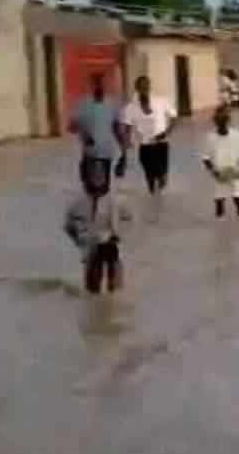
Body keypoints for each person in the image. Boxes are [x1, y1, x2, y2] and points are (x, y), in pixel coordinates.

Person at [64, 152, 130, 294]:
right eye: (93, 171)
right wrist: (81, 240)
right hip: (90, 251)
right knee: (92, 294)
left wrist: (119, 234)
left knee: (114, 294)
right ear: (85, 176)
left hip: (112, 250)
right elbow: (68, 227)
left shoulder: (116, 200)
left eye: (101, 171)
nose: (97, 175)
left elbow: (128, 220)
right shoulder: (77, 203)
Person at [68, 71, 128, 197]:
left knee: (103, 189)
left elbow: (117, 129)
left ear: (106, 85)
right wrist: (85, 134)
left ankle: (98, 210)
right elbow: (72, 127)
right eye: (97, 83)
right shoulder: (83, 104)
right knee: (89, 186)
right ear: (92, 85)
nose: (100, 86)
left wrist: (124, 152)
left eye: (102, 83)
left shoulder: (112, 104)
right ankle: (92, 210)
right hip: (89, 153)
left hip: (106, 152)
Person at [121, 74, 178, 195]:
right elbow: (127, 126)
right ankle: (153, 193)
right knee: (149, 173)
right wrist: (126, 142)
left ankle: (161, 183)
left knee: (161, 172)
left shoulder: (160, 101)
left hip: (161, 143)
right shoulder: (131, 107)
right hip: (145, 145)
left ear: (149, 87)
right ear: (137, 89)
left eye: (146, 86)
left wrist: (166, 132)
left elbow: (174, 117)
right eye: (141, 87)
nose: (144, 89)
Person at [201, 105, 239, 218]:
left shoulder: (236, 135)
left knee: (238, 201)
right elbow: (205, 158)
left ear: (228, 122)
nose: (222, 125)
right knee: (220, 203)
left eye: (224, 122)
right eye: (220, 123)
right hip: (220, 173)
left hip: (235, 171)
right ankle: (222, 229)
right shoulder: (211, 137)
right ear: (216, 123)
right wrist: (214, 172)